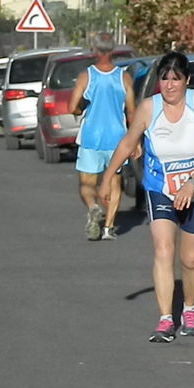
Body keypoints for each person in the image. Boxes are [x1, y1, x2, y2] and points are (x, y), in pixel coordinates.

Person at [99, 51, 194, 343]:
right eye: (164, 79)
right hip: (160, 186)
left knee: (190, 259)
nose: (169, 85)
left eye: (175, 79)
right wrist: (107, 178)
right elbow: (128, 142)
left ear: (186, 81)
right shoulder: (148, 108)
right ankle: (166, 319)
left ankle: (189, 309)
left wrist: (192, 183)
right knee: (163, 249)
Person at [68, 32, 136, 241]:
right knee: (114, 184)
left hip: (91, 137)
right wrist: (135, 139)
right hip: (117, 139)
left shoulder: (85, 76)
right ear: (113, 50)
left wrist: (81, 109)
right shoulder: (123, 77)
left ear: (95, 51)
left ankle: (93, 206)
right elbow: (132, 112)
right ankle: (108, 227)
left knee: (86, 185)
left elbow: (72, 107)